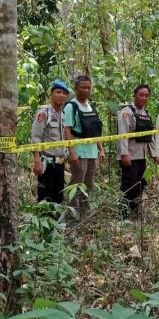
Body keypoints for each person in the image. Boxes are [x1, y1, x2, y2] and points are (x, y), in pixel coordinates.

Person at [63, 75, 106, 215]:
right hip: (79, 152)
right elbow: (67, 130)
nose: (86, 90)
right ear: (75, 89)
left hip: (92, 151)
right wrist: (71, 153)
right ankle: (72, 215)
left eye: (88, 87)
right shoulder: (71, 106)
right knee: (76, 184)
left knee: (88, 184)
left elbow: (95, 131)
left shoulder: (91, 106)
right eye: (83, 87)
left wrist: (101, 149)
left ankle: (84, 211)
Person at [118, 84, 157, 218]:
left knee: (140, 184)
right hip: (130, 156)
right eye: (141, 95)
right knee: (129, 185)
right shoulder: (126, 112)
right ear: (134, 96)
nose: (144, 98)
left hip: (142, 156)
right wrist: (124, 154)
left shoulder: (145, 113)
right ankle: (123, 214)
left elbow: (149, 136)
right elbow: (122, 135)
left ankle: (134, 211)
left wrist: (154, 154)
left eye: (146, 96)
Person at [31, 80, 71, 206]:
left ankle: (55, 224)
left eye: (64, 93)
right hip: (46, 163)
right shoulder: (43, 114)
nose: (61, 95)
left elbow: (63, 139)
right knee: (45, 196)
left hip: (60, 162)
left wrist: (66, 160)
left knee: (58, 195)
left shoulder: (63, 115)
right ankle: (43, 224)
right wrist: (36, 160)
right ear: (51, 94)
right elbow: (35, 137)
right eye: (58, 92)